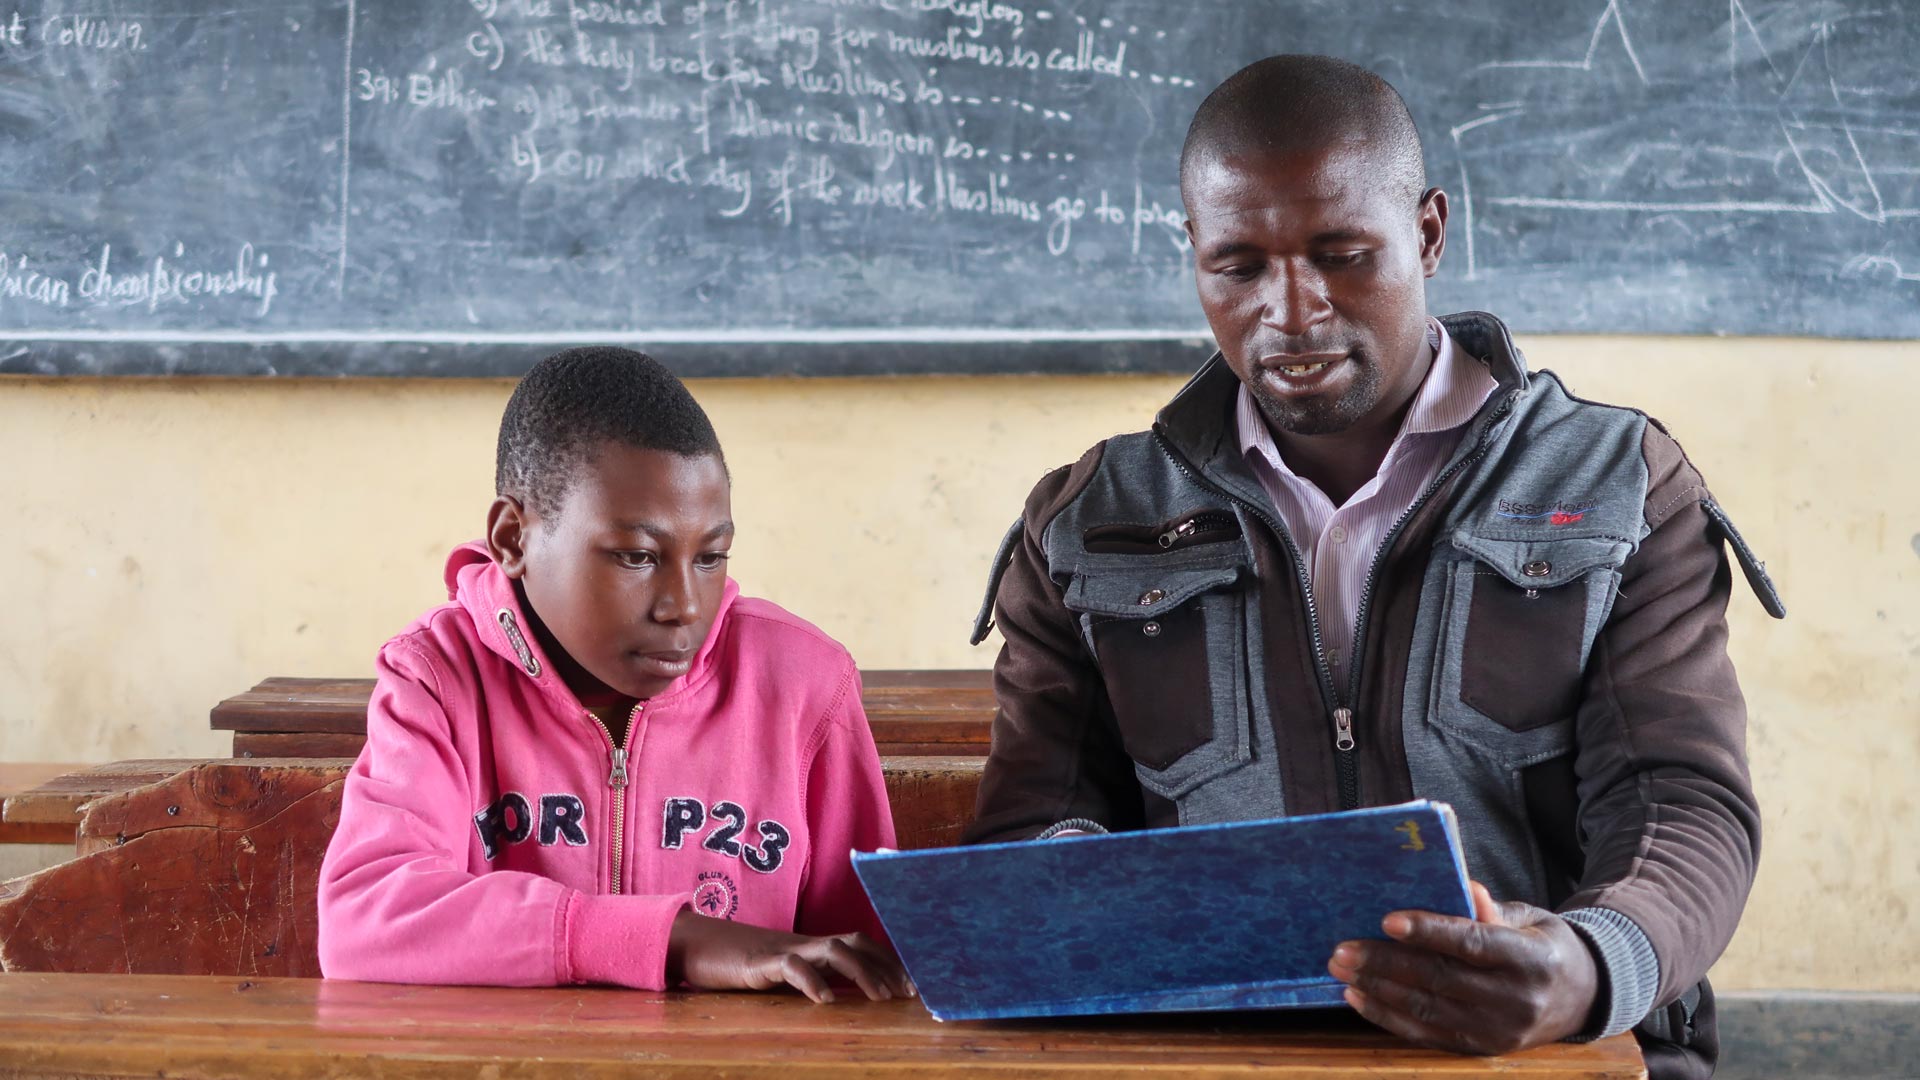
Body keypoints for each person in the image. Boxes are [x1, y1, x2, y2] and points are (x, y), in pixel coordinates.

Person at [963, 55, 1781, 1077]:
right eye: (1239, 266)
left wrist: (1580, 966)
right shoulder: (1092, 519)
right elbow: (1039, 812)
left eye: (1342, 254)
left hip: (1550, 1052)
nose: (1293, 311)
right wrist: (1087, 900)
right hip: (1218, 1059)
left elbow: (1681, 805)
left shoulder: (1618, 484)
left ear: (1429, 233)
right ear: (1193, 253)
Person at [319, 347, 912, 1004]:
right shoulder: (437, 677)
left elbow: (870, 972)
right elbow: (362, 916)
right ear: (514, 539)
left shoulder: (802, 684)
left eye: (711, 556)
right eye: (637, 556)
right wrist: (673, 939)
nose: (683, 605)